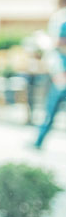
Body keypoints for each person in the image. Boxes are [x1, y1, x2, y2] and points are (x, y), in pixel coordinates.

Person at [34, 21, 66, 149]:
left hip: (62, 80)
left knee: (50, 112)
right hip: (61, 78)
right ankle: (39, 141)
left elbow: (60, 42)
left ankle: (39, 141)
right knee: (50, 112)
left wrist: (48, 43)